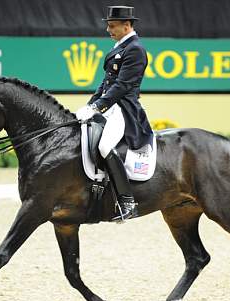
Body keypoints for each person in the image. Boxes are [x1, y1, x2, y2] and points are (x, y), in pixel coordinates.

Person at [76, 5, 153, 222]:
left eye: (112, 26)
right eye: (108, 26)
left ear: (126, 25)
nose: (108, 30)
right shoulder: (121, 46)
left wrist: (97, 108)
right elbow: (106, 82)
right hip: (110, 105)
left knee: (104, 145)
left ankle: (127, 200)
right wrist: (90, 104)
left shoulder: (135, 49)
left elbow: (122, 86)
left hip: (123, 108)